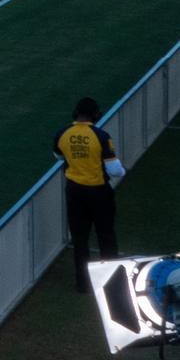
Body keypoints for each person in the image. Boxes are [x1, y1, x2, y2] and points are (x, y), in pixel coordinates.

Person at [55, 97, 120, 292]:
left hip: (74, 191)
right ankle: (111, 283)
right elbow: (115, 170)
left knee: (80, 239)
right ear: (94, 114)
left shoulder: (63, 133)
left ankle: (82, 284)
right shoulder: (100, 136)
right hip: (98, 192)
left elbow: (59, 156)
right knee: (106, 236)